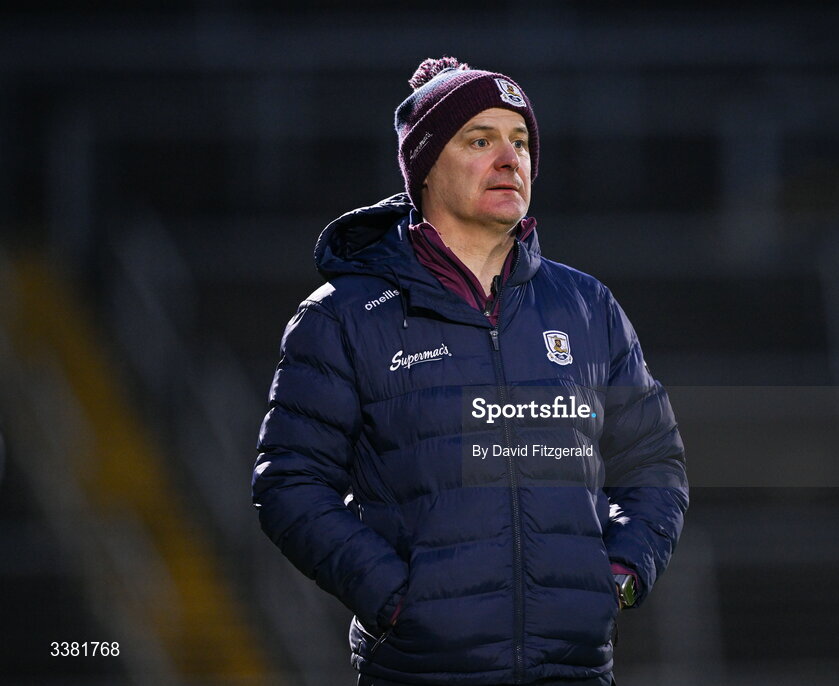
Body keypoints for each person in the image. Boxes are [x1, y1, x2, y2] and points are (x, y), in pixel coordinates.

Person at [252, 56, 689, 686]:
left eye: (521, 142)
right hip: (420, 671)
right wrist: (399, 599)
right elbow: (289, 485)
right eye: (480, 140)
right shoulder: (343, 317)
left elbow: (653, 463)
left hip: (573, 672)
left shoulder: (588, 306)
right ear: (426, 166)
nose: (509, 158)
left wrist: (620, 576)